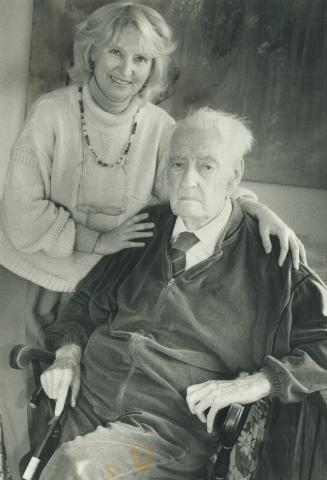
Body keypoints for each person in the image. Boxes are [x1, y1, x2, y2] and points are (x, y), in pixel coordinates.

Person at [0, 3, 306, 477]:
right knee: (28, 423)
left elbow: (203, 177)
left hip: (125, 336)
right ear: (93, 54)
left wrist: (257, 209)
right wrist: (95, 244)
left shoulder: (161, 128)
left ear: (154, 67)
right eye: (116, 54)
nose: (126, 70)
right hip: (35, 270)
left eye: (141, 59)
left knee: (81, 461)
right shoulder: (51, 114)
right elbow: (20, 216)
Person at [38, 108, 327, 480]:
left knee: (75, 469)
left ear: (233, 176)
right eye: (177, 165)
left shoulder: (272, 260)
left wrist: (254, 384)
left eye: (206, 166)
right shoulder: (148, 228)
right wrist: (67, 354)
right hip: (85, 403)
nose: (188, 179)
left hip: (165, 433)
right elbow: (85, 303)